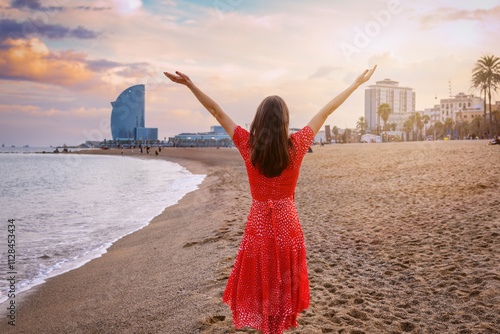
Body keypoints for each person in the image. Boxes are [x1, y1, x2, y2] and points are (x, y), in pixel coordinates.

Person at [164, 66, 376, 334]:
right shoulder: (297, 145)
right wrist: (356, 83)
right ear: (285, 121)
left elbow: (217, 112)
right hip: (288, 224)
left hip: (260, 225)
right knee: (281, 287)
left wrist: (190, 85)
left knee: (263, 284)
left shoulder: (248, 144)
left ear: (259, 120)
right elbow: (325, 111)